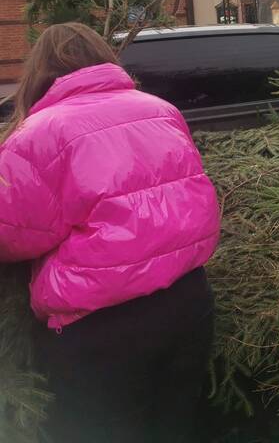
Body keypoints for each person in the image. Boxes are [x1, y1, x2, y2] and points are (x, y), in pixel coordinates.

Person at [0, 23, 220, 443]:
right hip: (189, 302)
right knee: (173, 427)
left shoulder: (38, 134)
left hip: (100, 327)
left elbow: (14, 233)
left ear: (39, 71)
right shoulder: (160, 108)